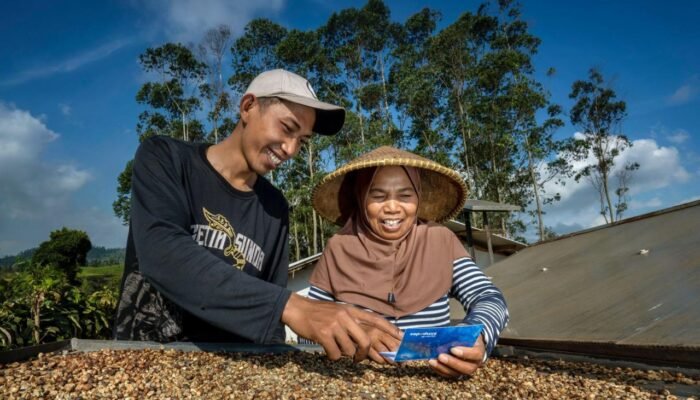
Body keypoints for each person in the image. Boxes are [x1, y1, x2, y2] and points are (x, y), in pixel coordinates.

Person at [113, 69, 400, 361]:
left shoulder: (275, 209)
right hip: (145, 358)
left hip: (226, 371)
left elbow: (268, 308)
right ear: (248, 106)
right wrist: (293, 306)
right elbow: (162, 252)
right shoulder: (166, 158)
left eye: (301, 140)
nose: (290, 149)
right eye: (287, 128)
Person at [308, 146, 509, 377]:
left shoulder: (439, 239)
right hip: (355, 378)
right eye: (378, 196)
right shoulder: (339, 246)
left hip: (433, 374)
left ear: (418, 199)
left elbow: (488, 296)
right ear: (361, 197)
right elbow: (312, 323)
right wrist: (355, 334)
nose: (392, 208)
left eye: (405, 196)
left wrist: (477, 336)